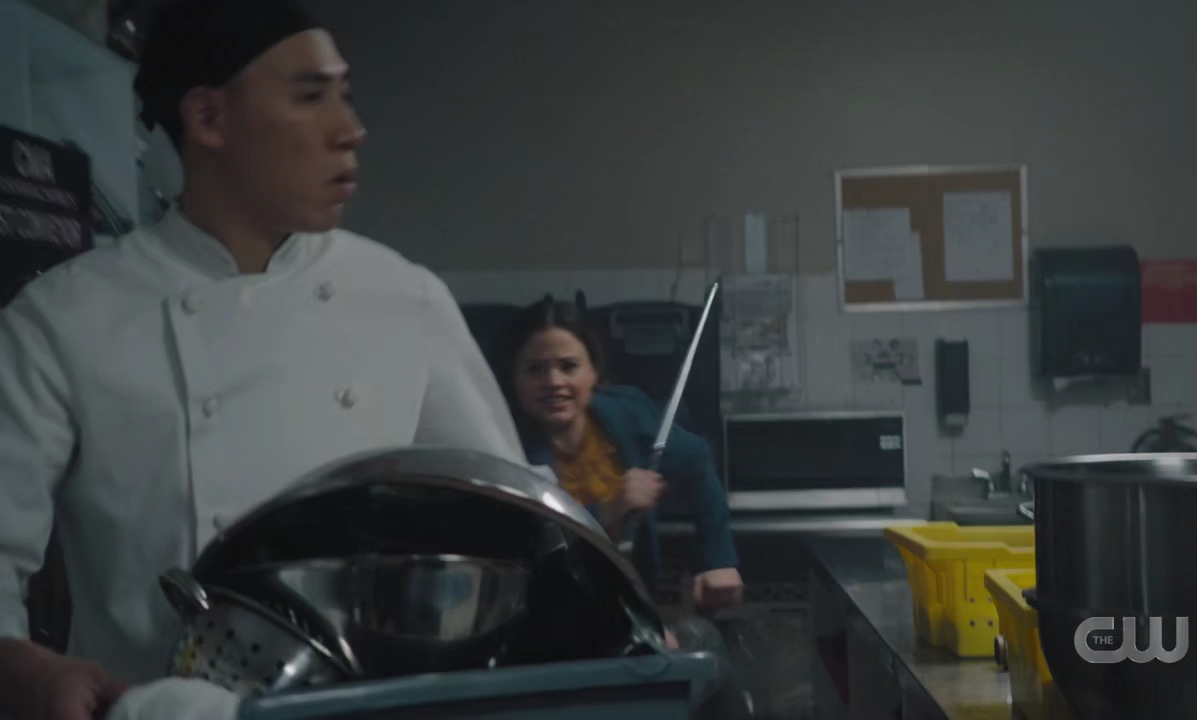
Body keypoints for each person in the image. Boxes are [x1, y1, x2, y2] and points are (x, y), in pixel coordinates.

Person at [0, 1, 524, 718]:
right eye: (311, 96)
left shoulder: (406, 299)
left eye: (344, 94)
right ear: (209, 119)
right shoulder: (66, 319)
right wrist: (27, 672)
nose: (351, 129)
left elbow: (513, 526)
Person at [492, 298, 744, 615]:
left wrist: (719, 560)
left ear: (594, 372)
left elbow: (697, 460)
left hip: (634, 601)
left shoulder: (628, 414)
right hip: (542, 607)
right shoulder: (500, 445)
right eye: (535, 369)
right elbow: (520, 545)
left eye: (569, 366)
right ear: (513, 378)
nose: (554, 382)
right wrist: (605, 513)